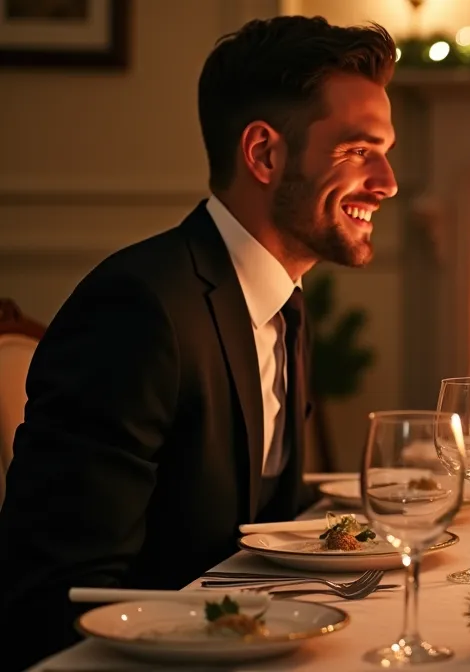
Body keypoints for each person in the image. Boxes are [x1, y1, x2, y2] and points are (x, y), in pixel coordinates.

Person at [0, 16, 398, 667]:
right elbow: (60, 590)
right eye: (358, 150)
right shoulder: (139, 310)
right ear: (265, 154)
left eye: (385, 150)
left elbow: (261, 526)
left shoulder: (283, 302)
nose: (387, 181)